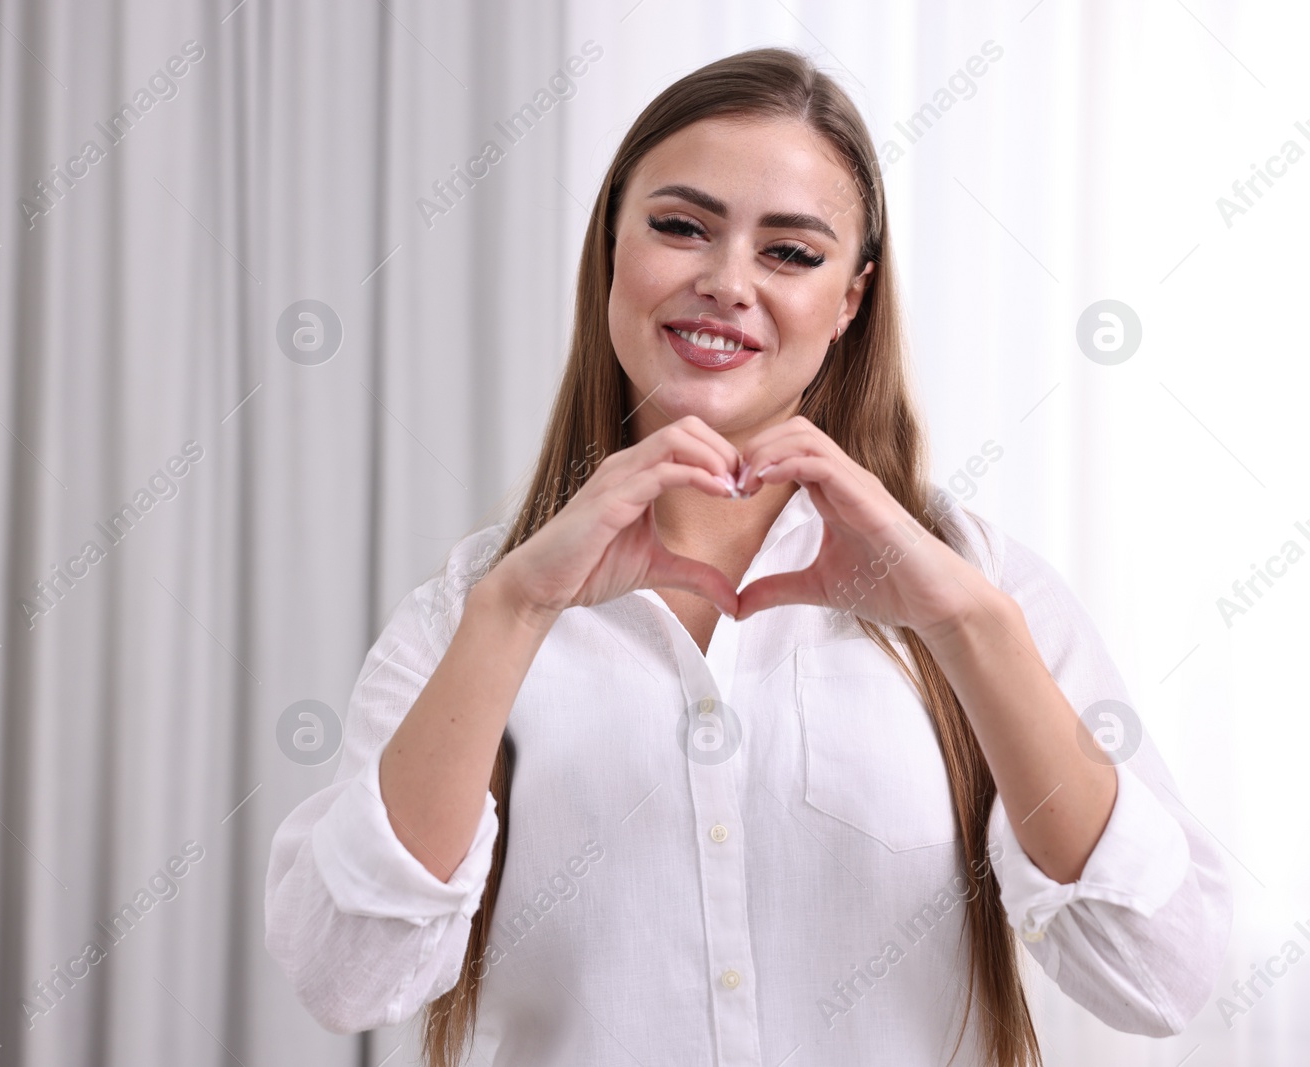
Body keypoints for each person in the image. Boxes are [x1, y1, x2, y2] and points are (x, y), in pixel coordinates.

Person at [264, 46, 1231, 1067]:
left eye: (790, 252)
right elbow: (347, 976)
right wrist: (510, 616)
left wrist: (966, 626)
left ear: (849, 299)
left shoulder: (985, 586)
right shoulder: (475, 604)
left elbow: (1158, 975)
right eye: (680, 227)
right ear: (609, 253)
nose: (724, 283)